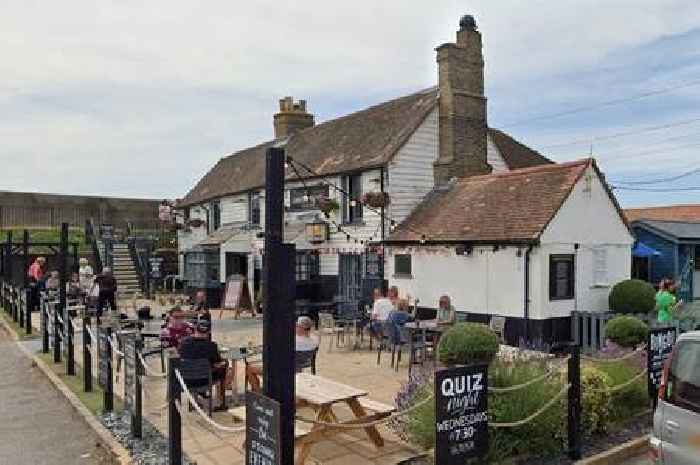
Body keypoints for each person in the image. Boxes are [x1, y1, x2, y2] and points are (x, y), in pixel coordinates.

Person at [178, 320, 229, 410]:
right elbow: (217, 362)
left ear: (195, 329)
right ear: (209, 332)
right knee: (224, 367)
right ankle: (221, 402)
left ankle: (194, 400)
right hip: (205, 381)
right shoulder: (211, 346)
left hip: (185, 380)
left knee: (195, 368)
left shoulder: (183, 343)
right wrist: (224, 363)